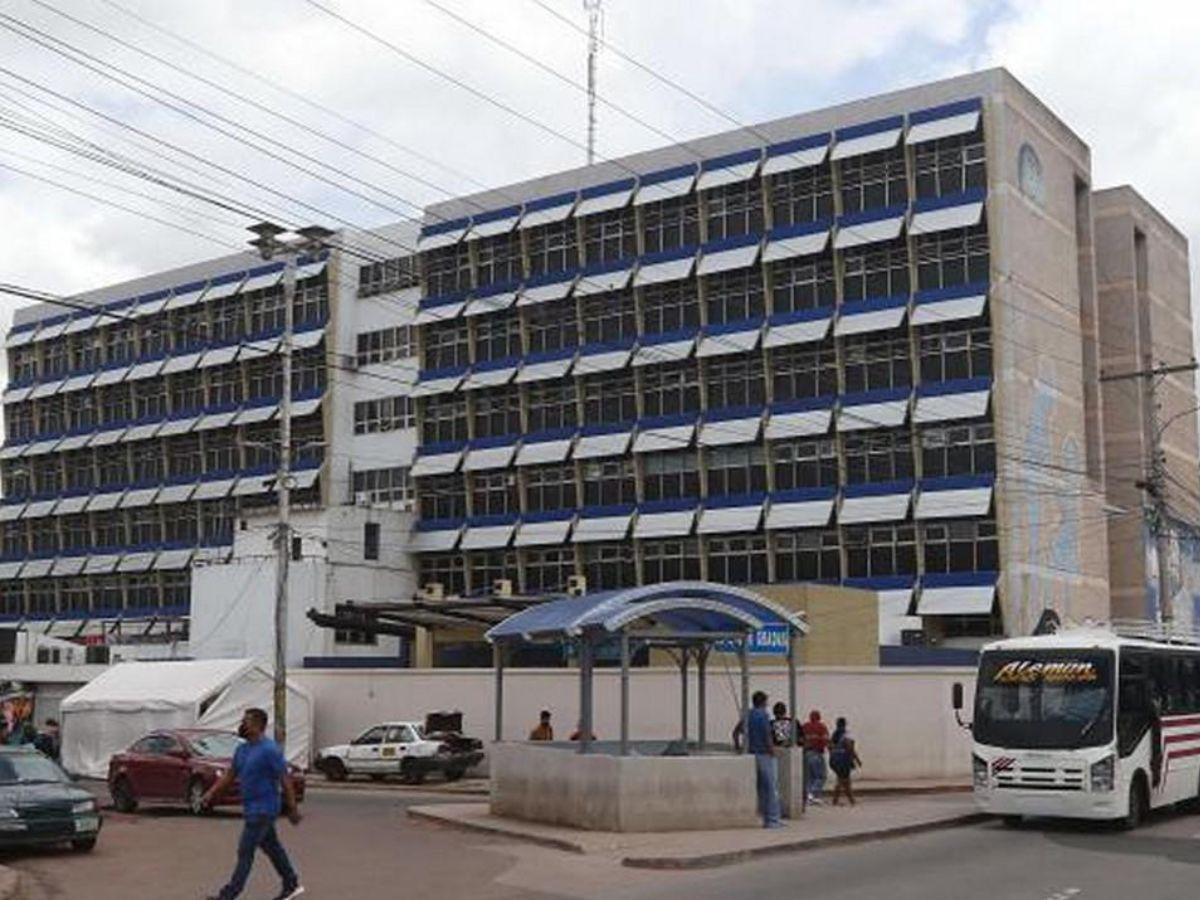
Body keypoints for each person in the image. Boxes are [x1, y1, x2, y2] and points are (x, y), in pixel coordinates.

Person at [203, 708, 304, 900]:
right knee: (272, 848)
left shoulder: (270, 750)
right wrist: (211, 793)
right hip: (251, 808)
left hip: (264, 810)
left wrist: (292, 808)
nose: (242, 724)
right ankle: (291, 883)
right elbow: (231, 774)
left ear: (258, 725)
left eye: (246, 721)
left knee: (245, 851)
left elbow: (285, 779)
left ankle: (228, 895)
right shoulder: (242, 749)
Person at [746, 690, 782, 829]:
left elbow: (737, 731)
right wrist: (772, 750)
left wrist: (740, 746)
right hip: (765, 754)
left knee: (761, 788)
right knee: (772, 788)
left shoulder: (748, 714)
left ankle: (764, 817)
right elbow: (767, 734)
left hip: (752, 753)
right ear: (763, 702)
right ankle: (772, 820)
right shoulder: (764, 715)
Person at [829, 716, 862, 807]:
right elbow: (850, 748)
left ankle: (844, 800)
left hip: (834, 760)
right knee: (843, 781)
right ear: (845, 724)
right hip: (843, 761)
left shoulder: (834, 734)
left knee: (843, 780)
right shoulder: (846, 734)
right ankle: (849, 801)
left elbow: (830, 747)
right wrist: (857, 760)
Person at [801, 710, 830, 804]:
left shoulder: (805, 726)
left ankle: (808, 796)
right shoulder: (821, 727)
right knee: (821, 776)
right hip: (817, 753)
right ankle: (813, 795)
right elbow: (825, 740)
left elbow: (800, 739)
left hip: (805, 754)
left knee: (809, 777)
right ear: (819, 717)